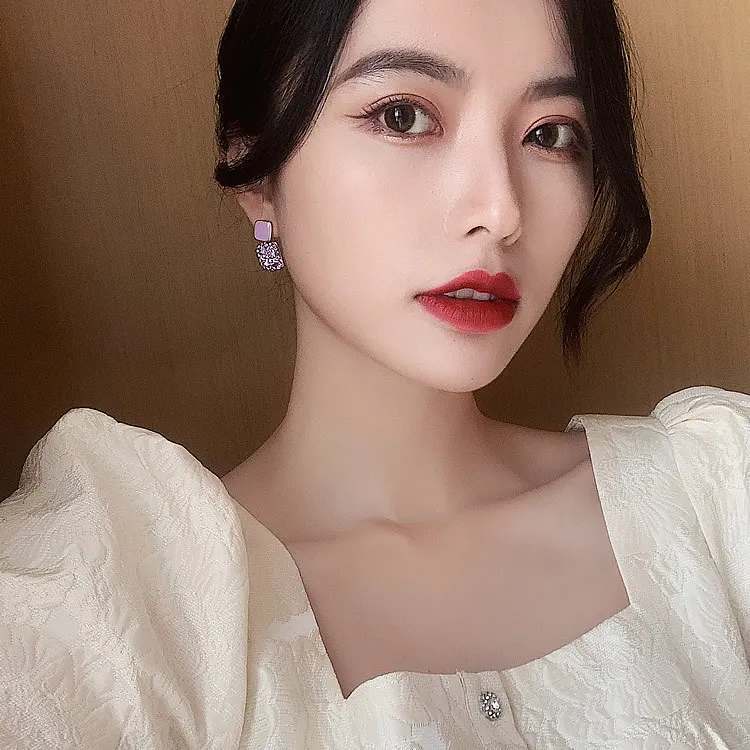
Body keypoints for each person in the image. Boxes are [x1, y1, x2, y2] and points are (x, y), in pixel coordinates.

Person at [1, 0, 748, 746]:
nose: (500, 211)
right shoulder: (117, 617)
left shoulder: (713, 500)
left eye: (551, 134)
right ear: (256, 170)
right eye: (403, 117)